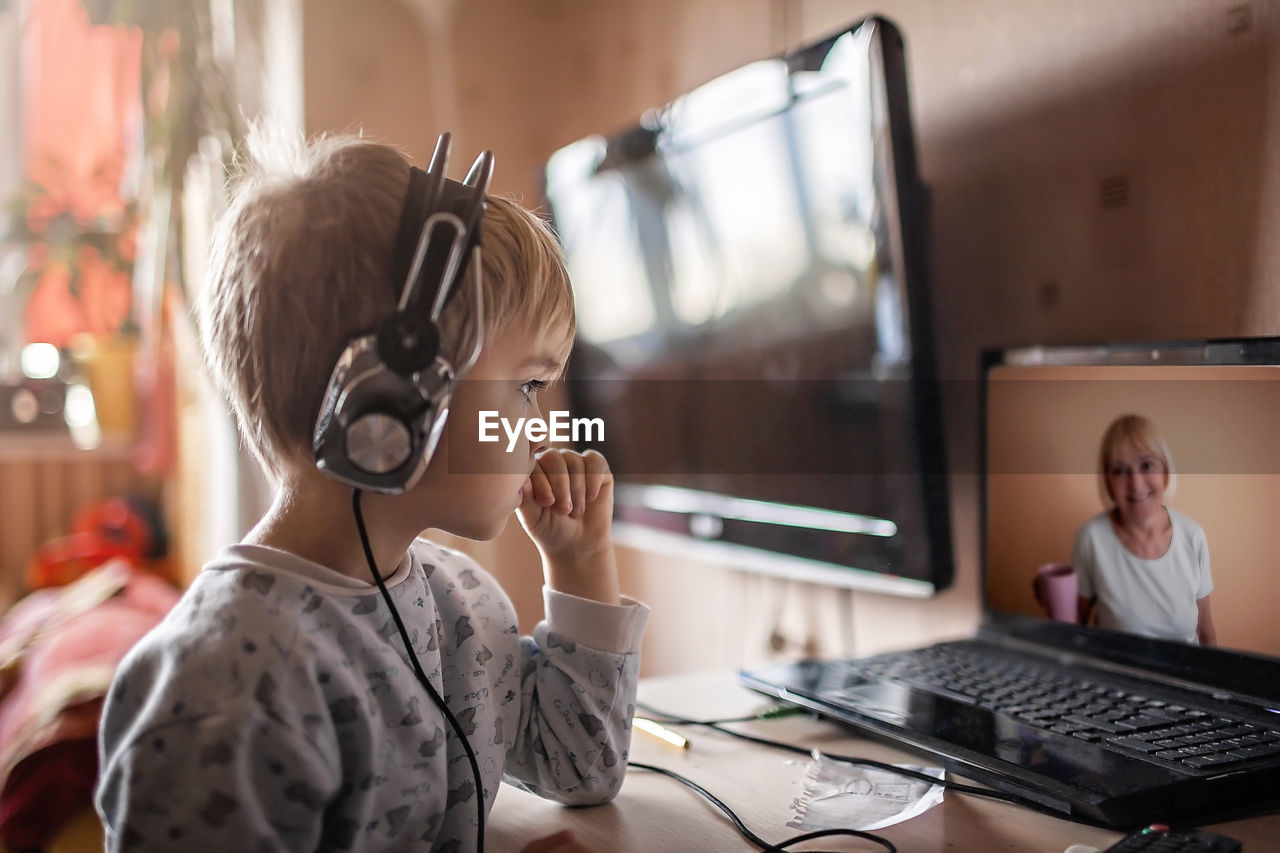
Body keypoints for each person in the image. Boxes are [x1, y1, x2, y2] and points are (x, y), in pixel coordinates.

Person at [94, 129, 649, 852]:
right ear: (390, 397)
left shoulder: (463, 607)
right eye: (526, 386)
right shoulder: (224, 691)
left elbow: (579, 769)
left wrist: (580, 561)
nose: (540, 428)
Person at [1072, 414, 1216, 645]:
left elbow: (1206, 632)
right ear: (1107, 482)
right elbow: (1073, 631)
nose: (1136, 484)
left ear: (1165, 471)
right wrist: (1054, 600)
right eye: (1119, 471)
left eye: (1147, 465)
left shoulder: (1193, 536)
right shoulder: (1091, 538)